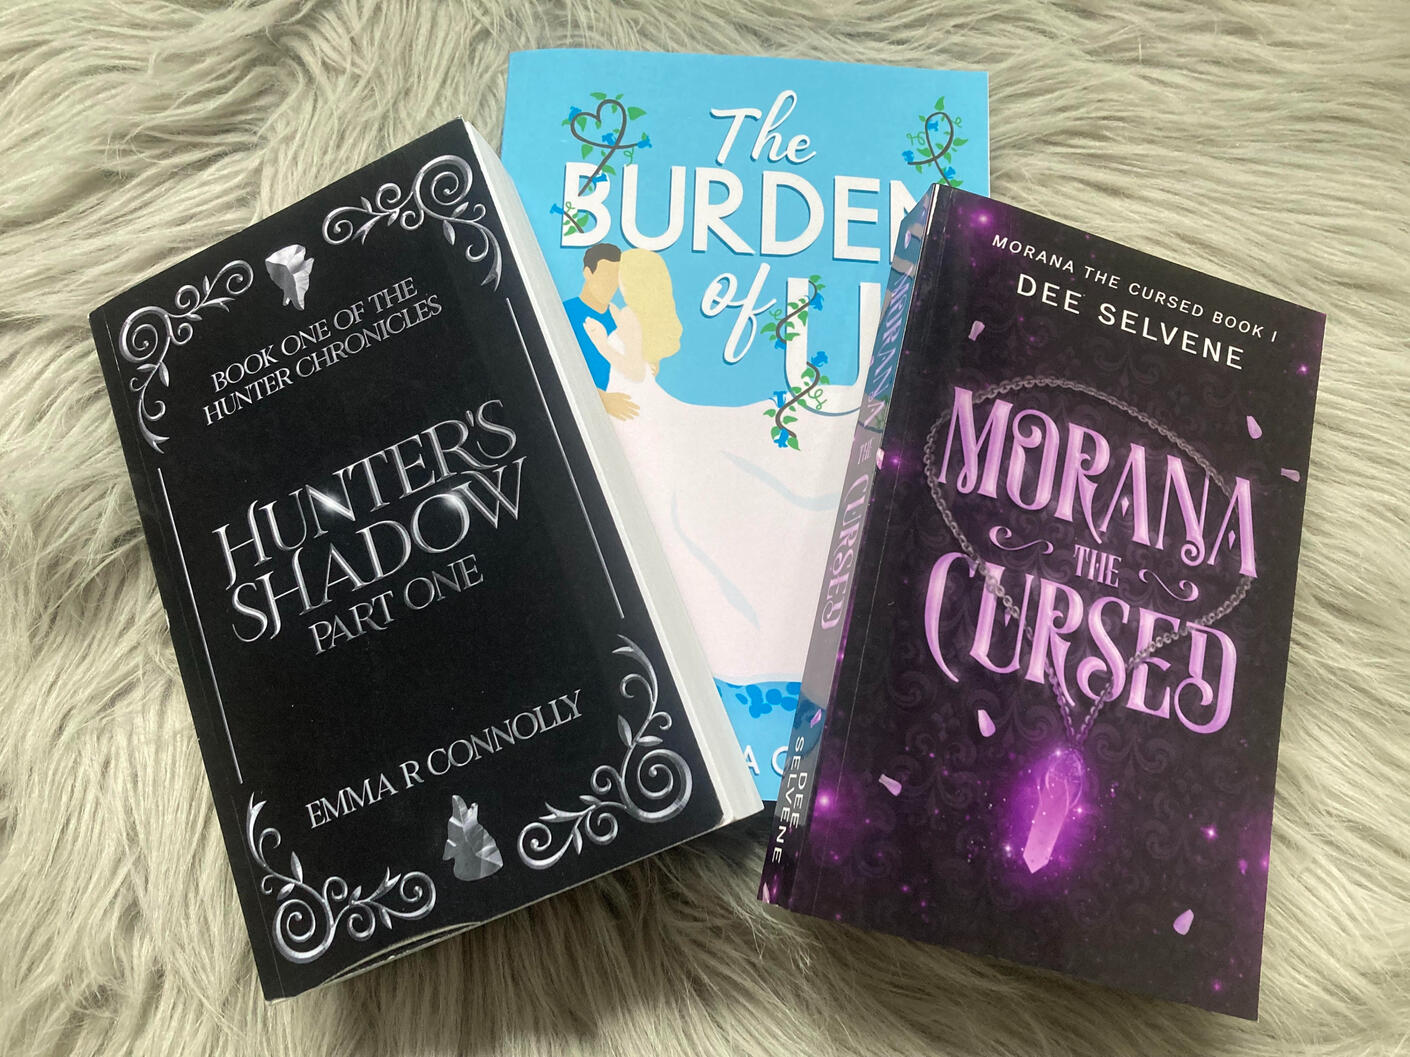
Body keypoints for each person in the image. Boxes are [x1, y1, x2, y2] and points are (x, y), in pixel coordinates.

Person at [561, 242, 638, 421]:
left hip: (622, 415)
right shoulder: (565, 313)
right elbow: (554, 367)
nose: (610, 284)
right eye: (605, 276)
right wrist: (600, 398)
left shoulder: (619, 318)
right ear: (588, 273)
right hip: (578, 413)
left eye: (615, 277)